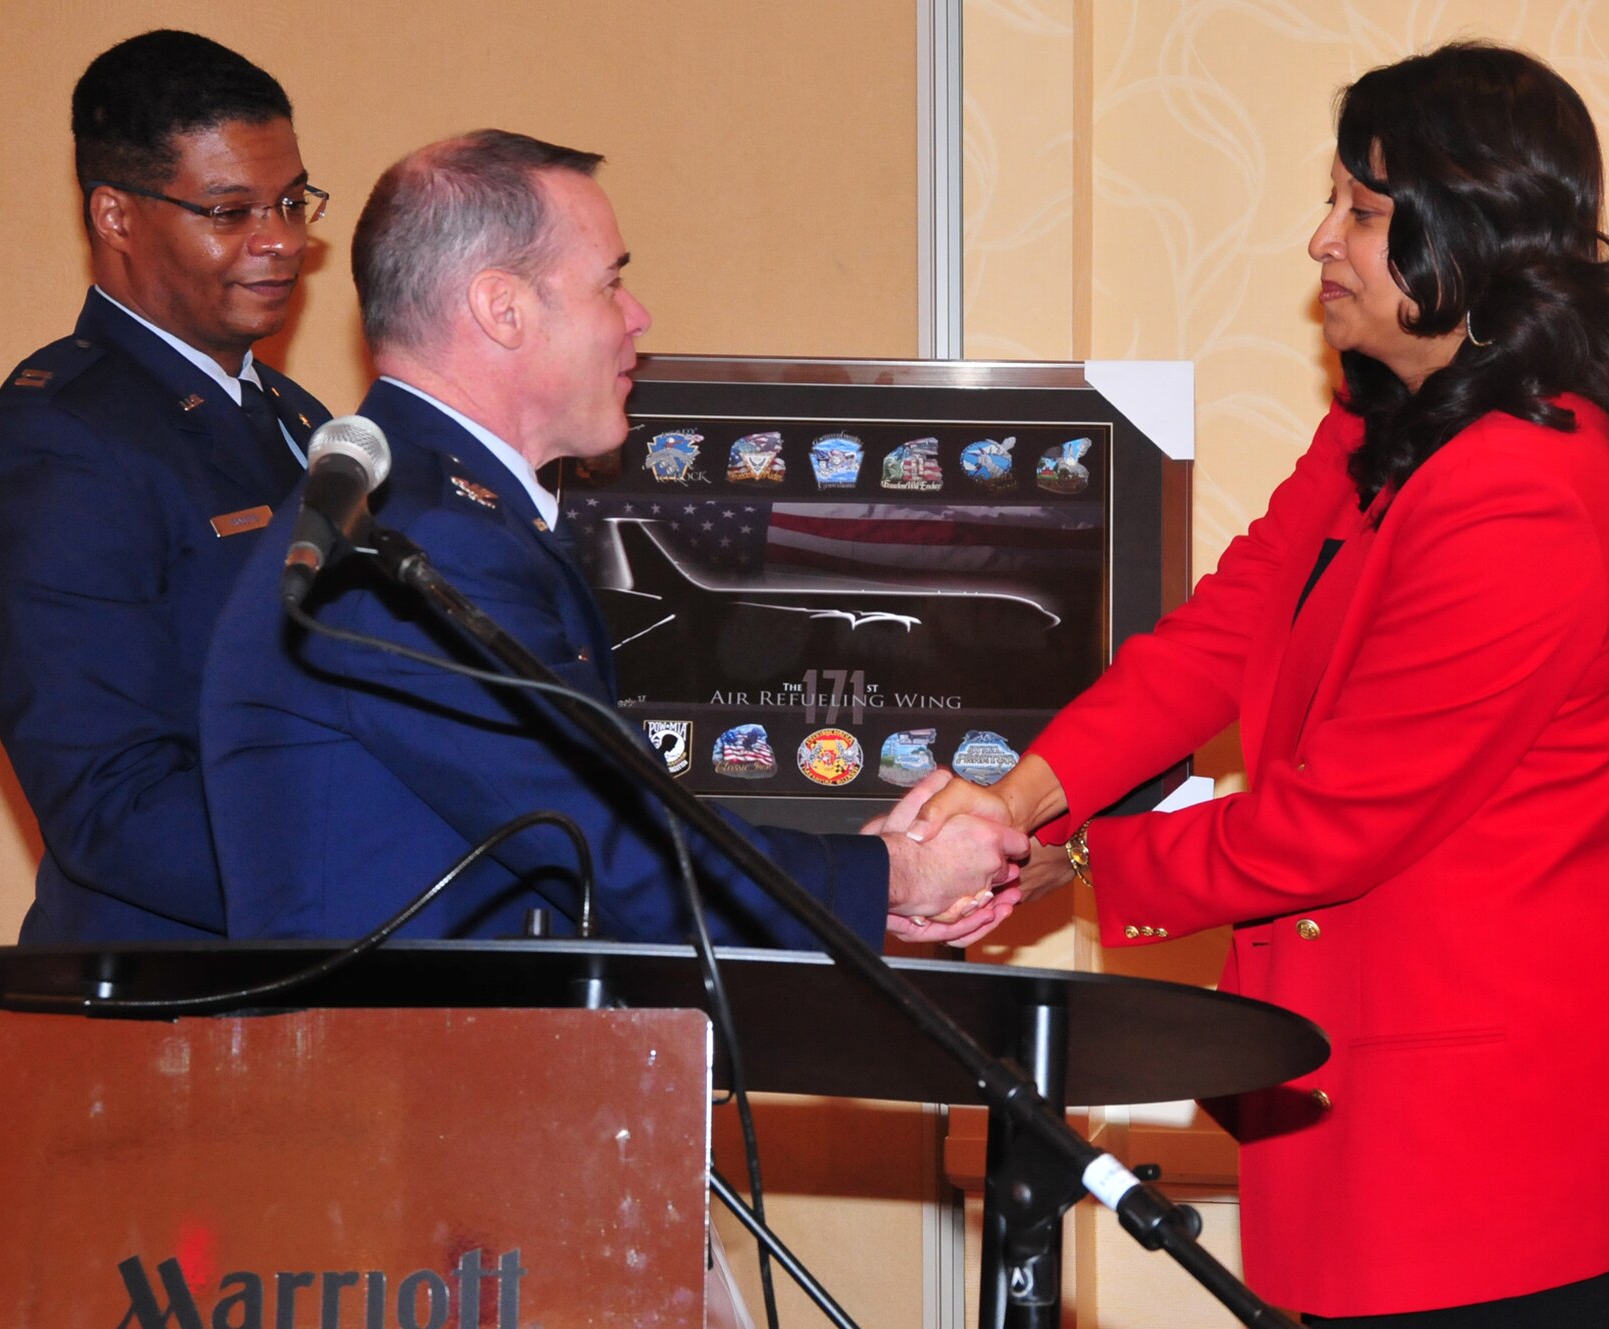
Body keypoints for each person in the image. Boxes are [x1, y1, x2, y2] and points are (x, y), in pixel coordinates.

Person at [909, 42, 1609, 1327]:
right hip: (1365, 1115)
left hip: (1474, 1166)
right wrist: (1015, 801)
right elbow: (1218, 635)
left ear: (1470, 236)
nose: (1320, 242)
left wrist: (1071, 863)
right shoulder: (1390, 421)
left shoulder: (1525, 491)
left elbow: (1337, 822)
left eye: (1364, 213)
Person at [199, 129, 1024, 948]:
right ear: (503, 308)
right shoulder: (419, 542)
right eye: (609, 283)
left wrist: (866, 876)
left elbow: (602, 830)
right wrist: (896, 873)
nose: (638, 317)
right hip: (405, 1071)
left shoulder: (440, 513)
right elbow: (614, 847)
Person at [0, 31, 331, 942]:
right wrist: (368, 887)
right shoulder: (55, 441)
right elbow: (112, 804)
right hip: (175, 1008)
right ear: (115, 216)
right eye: (230, 211)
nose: (280, 241)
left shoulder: (298, 415)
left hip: (323, 994)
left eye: (290, 201)